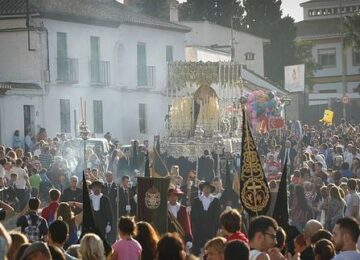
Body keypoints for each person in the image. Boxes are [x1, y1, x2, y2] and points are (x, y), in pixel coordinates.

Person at [191, 181, 221, 256]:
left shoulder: (216, 201)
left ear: (211, 189)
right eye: (205, 187)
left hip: (211, 229)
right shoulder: (196, 200)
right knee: (199, 251)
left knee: (211, 248)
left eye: (208, 188)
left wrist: (217, 228)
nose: (206, 189)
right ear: (202, 189)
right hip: (199, 229)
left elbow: (217, 216)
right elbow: (193, 216)